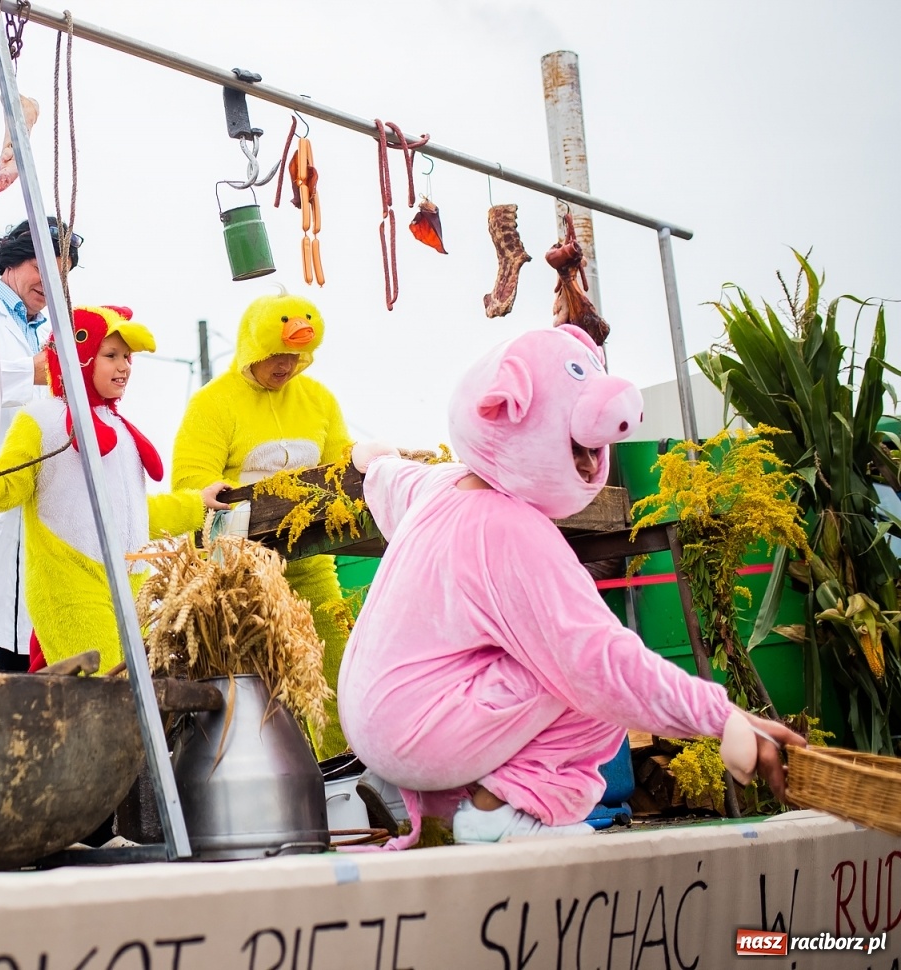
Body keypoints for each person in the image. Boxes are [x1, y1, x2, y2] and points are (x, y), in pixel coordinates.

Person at [338, 325, 804, 846]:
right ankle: (501, 812)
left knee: (563, 659)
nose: (587, 468)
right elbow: (600, 661)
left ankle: (465, 808)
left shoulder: (443, 487)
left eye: (593, 452)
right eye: (576, 448)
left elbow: (392, 480)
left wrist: (372, 459)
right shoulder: (511, 531)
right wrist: (721, 716)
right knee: (593, 682)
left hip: (377, 718)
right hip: (424, 733)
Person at [0, 305, 230, 671]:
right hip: (70, 586)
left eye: (127, 357)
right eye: (111, 355)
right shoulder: (41, 420)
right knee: (101, 698)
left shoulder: (120, 430)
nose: (124, 366)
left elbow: (138, 513)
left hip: (131, 591)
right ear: (79, 357)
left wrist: (199, 505)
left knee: (128, 705)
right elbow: (4, 490)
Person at [171, 292, 352, 757]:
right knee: (260, 685)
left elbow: (342, 469)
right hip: (241, 574)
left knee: (336, 667)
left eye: (295, 355)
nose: (286, 365)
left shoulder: (320, 401)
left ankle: (343, 769)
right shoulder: (213, 404)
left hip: (312, 564)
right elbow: (192, 481)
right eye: (276, 354)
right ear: (253, 348)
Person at [0, 219, 79, 671]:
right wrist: (35, 371)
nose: (49, 283)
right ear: (12, 259)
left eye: (60, 275)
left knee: (15, 611)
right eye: (41, 268)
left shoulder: (45, 326)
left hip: (24, 479)